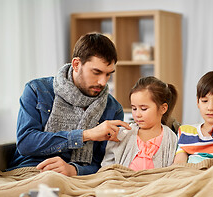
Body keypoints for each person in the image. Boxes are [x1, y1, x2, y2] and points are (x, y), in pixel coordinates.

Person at [7, 33, 131, 176]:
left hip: (78, 177)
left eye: (108, 74)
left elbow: (104, 163)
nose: (103, 82)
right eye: (96, 72)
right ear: (76, 64)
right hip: (32, 169)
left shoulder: (113, 109)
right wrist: (86, 135)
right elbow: (26, 143)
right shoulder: (37, 90)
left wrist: (73, 170)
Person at [101, 76, 178, 170]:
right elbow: (107, 165)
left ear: (163, 108)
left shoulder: (170, 137)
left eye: (143, 109)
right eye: (134, 108)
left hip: (155, 183)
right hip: (123, 182)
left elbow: (171, 170)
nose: (137, 114)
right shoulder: (123, 134)